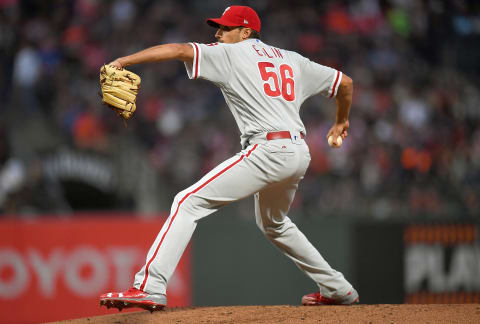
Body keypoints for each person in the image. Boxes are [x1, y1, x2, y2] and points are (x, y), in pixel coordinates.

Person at [99, 5, 358, 311]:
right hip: (298, 152)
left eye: (225, 28)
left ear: (246, 32)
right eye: (218, 28)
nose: (218, 34)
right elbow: (345, 83)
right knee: (273, 222)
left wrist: (123, 60)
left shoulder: (231, 54)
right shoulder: (293, 59)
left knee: (187, 201)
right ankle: (337, 287)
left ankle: (150, 286)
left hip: (268, 149)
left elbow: (179, 49)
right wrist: (341, 122)